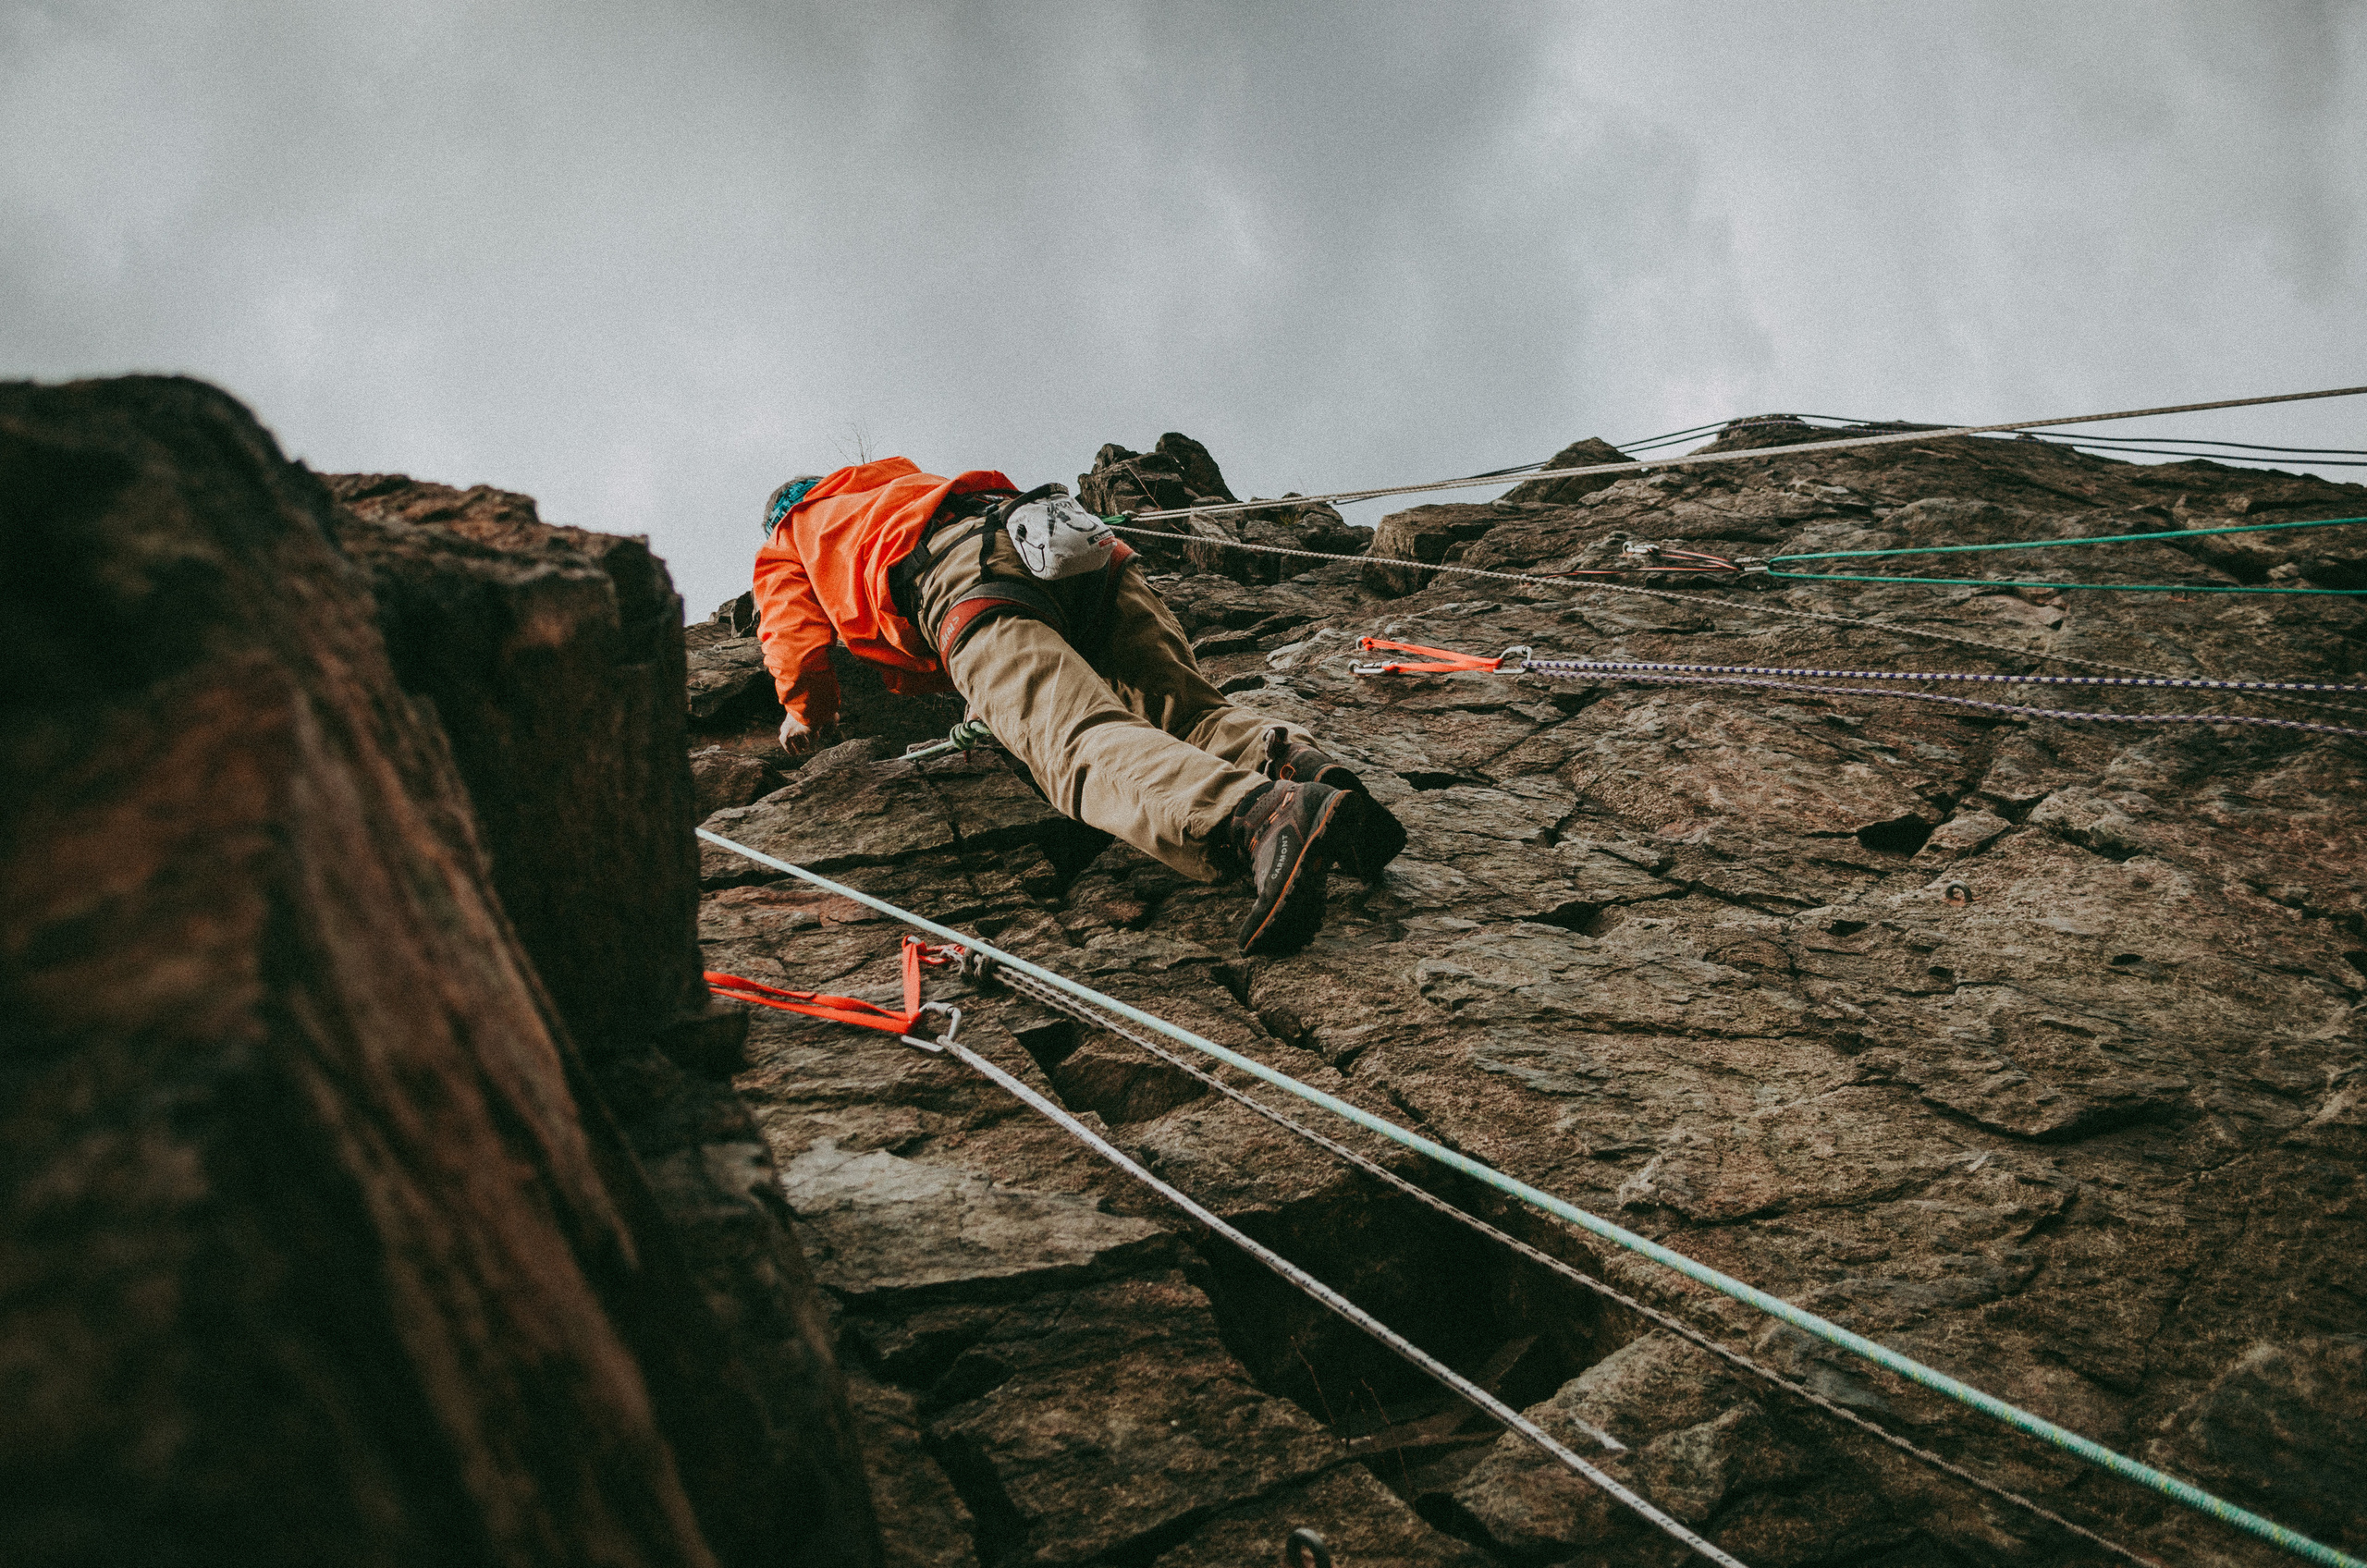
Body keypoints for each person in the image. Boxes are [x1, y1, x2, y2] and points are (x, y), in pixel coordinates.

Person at [751, 457, 1405, 954]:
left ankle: (1262, 815)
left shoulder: (792, 536)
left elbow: (790, 635)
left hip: (962, 579)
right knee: (1188, 709)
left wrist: (804, 711)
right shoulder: (895, 479)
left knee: (1072, 742)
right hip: (1074, 546)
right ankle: (1302, 767)